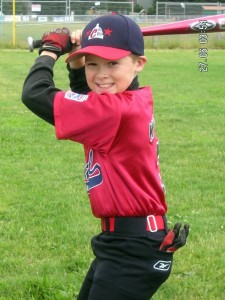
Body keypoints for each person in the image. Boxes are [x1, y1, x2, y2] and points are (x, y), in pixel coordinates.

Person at [22, 14, 189, 300]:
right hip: (125, 242)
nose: (101, 74)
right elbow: (87, 98)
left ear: (139, 64)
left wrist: (49, 50)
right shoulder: (132, 99)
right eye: (93, 63)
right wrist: (75, 61)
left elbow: (35, 93)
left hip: (133, 249)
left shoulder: (115, 111)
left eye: (113, 63)